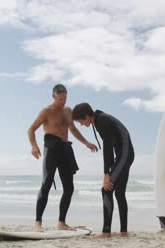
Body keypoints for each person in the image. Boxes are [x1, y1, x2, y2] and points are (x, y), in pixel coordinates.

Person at [28, 84, 98, 232]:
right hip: (51, 149)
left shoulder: (68, 111)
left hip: (65, 150)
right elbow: (31, 129)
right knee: (46, 184)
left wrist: (86, 142)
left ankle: (61, 222)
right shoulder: (46, 112)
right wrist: (34, 145)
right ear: (53, 97)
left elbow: (73, 129)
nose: (63, 101)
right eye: (60, 99)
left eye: (65, 98)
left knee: (69, 187)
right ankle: (37, 223)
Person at [72, 102, 135, 238]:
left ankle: (106, 232)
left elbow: (107, 147)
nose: (82, 125)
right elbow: (111, 146)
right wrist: (112, 167)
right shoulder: (99, 120)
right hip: (125, 154)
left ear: (87, 116)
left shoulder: (101, 121)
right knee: (119, 193)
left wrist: (107, 173)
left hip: (124, 154)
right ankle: (123, 232)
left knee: (106, 189)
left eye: (81, 121)